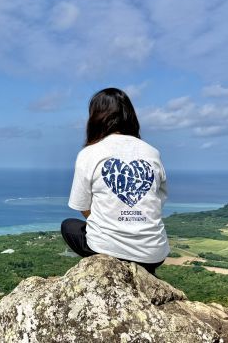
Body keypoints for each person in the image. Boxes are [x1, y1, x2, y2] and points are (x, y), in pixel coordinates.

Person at [61, 87, 169, 275]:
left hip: (107, 250)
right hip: (154, 254)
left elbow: (82, 205)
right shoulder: (152, 152)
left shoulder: (89, 153)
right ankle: (144, 275)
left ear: (95, 118)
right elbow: (157, 202)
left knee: (68, 226)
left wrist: (112, 223)